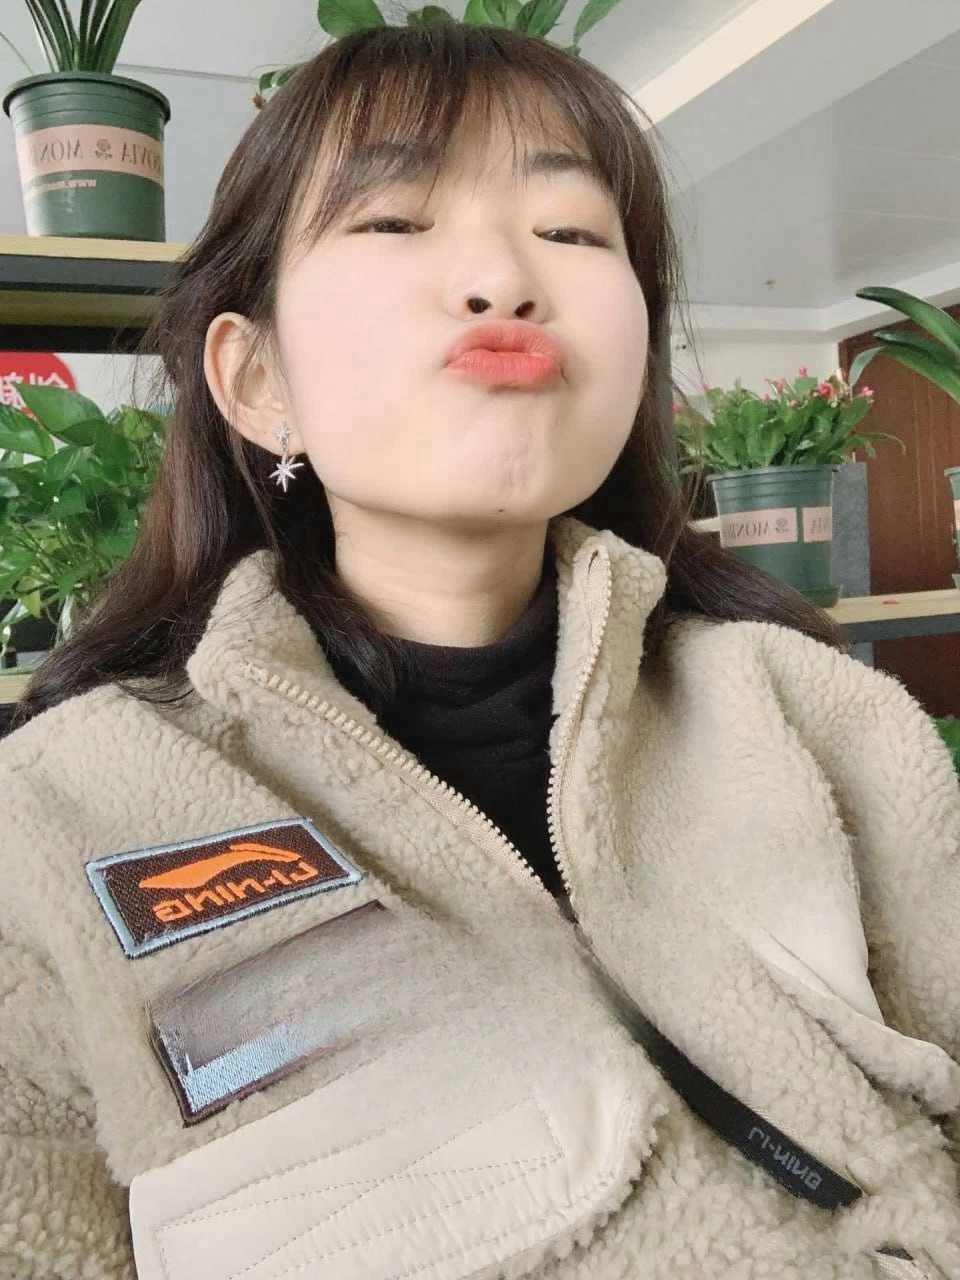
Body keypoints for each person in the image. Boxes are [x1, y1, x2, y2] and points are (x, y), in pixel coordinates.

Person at [1, 20, 958, 1280]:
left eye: (572, 231)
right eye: (396, 219)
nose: (504, 277)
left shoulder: (821, 717)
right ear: (257, 379)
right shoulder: (52, 818)